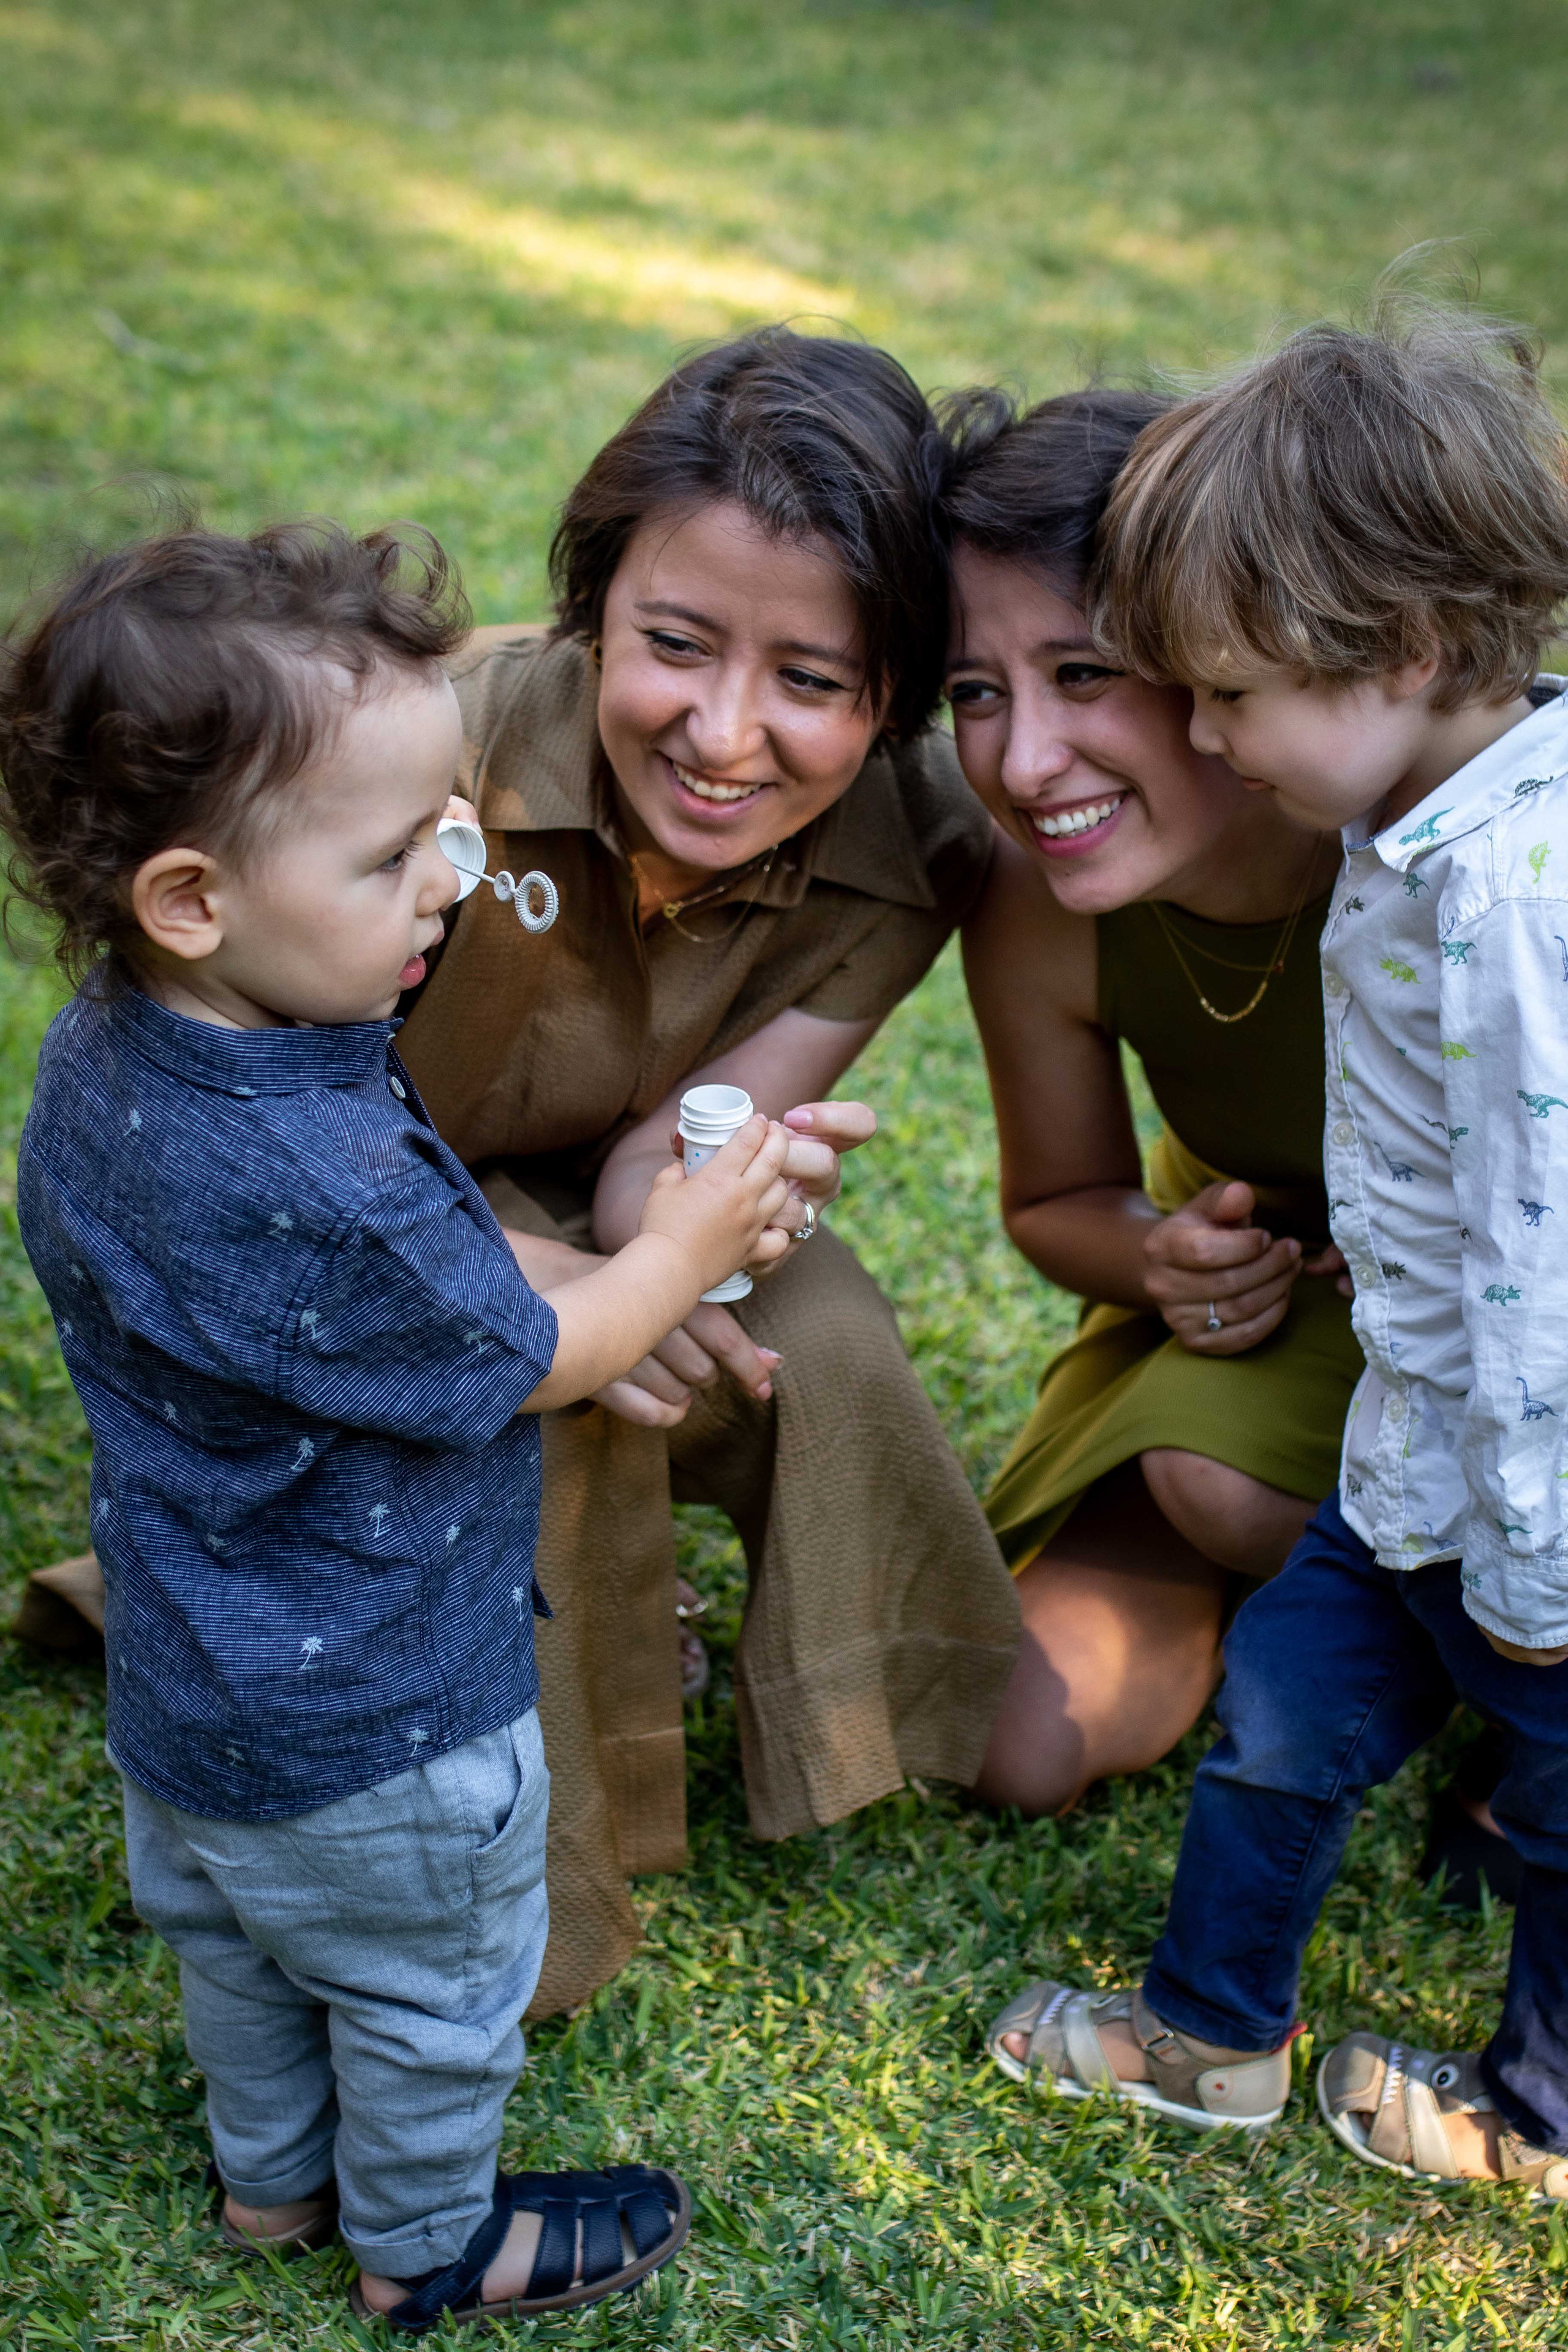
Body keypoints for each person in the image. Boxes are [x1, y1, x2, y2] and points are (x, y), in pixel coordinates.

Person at [3, 521, 806, 2322]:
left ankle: (272, 2190)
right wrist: (688, 1237)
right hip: (382, 1718)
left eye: (457, 815)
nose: (454, 873)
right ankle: (428, 2243)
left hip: (190, 1679)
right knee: (430, 1994)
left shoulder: (105, 1056)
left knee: (235, 1948)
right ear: (193, 901)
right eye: (394, 852)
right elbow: (551, 1342)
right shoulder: (325, 1181)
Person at [986, 307, 1568, 2199]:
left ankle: (1541, 2109)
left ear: (1396, 649)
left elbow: (1542, 1265)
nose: (1209, 734)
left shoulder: (1506, 897)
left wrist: (1536, 1566)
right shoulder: (1399, 826)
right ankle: (1212, 2033)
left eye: (1204, 690)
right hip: (1407, 1452)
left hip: (1531, 1491)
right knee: (1275, 1726)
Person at [936, 386, 1358, 1816]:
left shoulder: (1419, 843)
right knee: (1015, 1745)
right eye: (975, 691)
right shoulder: (1039, 900)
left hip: (1510, 1312)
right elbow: (1056, 1202)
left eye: (1083, 672)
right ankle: (1326, 1598)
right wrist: (1162, 1261)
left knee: (1215, 1485)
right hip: (1266, 1303)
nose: (1021, 760)